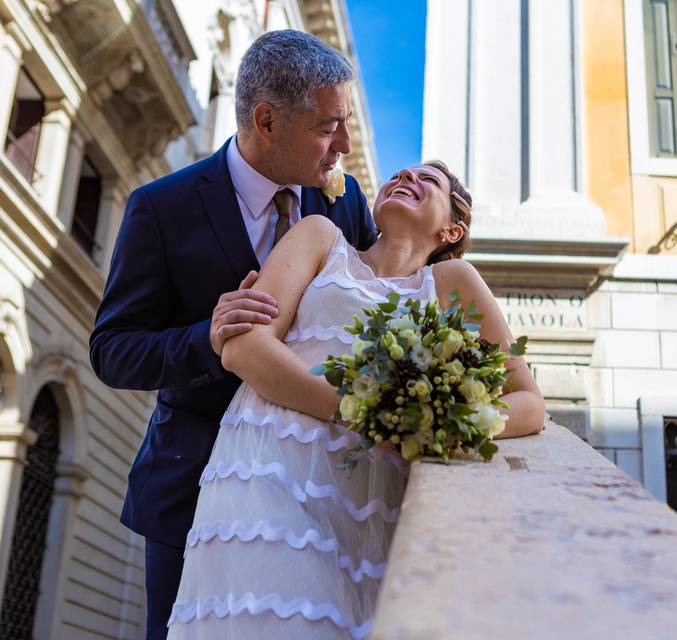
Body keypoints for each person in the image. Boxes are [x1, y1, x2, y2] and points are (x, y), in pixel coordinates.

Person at [165, 160, 545, 638]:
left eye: (427, 180)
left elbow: (528, 402)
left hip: (373, 495)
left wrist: (440, 422)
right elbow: (245, 347)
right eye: (401, 174)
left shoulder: (454, 284)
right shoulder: (320, 237)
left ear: (452, 229)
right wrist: (364, 413)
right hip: (266, 467)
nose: (407, 178)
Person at [88, 30, 378, 640]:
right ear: (267, 121)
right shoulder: (159, 208)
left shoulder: (346, 204)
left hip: (315, 489)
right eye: (328, 127)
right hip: (191, 490)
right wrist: (206, 338)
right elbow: (113, 351)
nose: (343, 146)